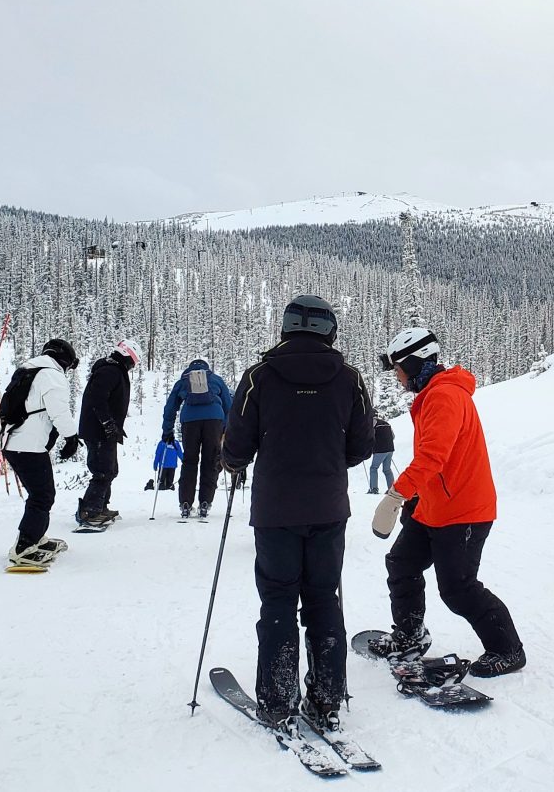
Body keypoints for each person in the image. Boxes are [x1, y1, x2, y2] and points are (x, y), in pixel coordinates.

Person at [220, 295, 375, 737]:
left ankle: (276, 699)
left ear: (287, 327)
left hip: (274, 511)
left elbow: (236, 446)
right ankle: (326, 701)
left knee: (278, 600)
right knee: (324, 599)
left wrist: (234, 462)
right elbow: (362, 447)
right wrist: (326, 459)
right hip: (328, 507)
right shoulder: (350, 379)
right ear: (330, 330)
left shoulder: (259, 377)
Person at [368, 326, 525, 678]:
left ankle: (508, 649)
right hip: (435, 508)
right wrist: (416, 498)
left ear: (414, 362)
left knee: (457, 588)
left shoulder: (444, 396)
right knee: (402, 563)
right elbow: (440, 460)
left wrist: (396, 495)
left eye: (398, 368)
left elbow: (433, 456)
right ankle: (410, 637)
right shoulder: (435, 395)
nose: (396, 376)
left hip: (464, 512)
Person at [0, 338, 81, 566]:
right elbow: (59, 411)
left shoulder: (29, 369)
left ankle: (35, 537)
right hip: (28, 446)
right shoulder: (52, 375)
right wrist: (71, 437)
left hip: (15, 442)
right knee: (42, 495)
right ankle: (24, 547)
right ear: (64, 360)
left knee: (40, 494)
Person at [76, 339, 140, 527]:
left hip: (104, 431)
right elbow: (98, 399)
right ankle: (89, 511)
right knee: (102, 471)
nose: (132, 367)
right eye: (133, 363)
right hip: (98, 431)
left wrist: (112, 426)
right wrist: (107, 423)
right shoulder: (110, 371)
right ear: (127, 357)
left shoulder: (112, 370)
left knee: (110, 470)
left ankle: (100, 506)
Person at [162, 358, 233, 520]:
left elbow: (170, 407)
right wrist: (226, 430)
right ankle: (205, 502)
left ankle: (185, 503)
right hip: (214, 421)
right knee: (211, 461)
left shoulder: (183, 381)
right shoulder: (216, 379)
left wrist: (167, 430)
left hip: (190, 422)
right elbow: (229, 406)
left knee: (190, 461)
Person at [367, 415, 395, 495]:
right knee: (387, 469)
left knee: (373, 468)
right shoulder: (387, 423)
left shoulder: (373, 423)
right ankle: (391, 489)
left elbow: (370, 436)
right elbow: (393, 436)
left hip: (380, 450)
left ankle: (374, 488)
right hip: (390, 449)